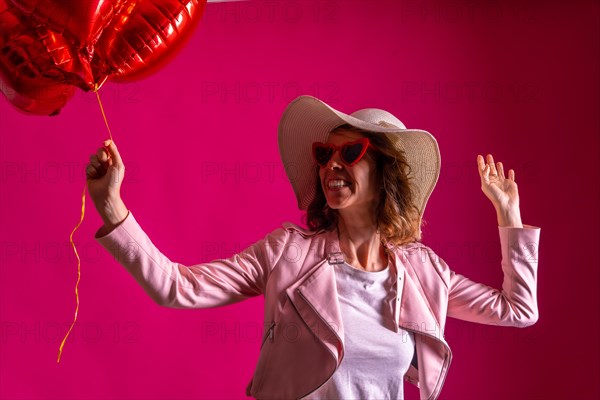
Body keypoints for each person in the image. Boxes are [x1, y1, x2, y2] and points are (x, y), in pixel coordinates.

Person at [86, 95, 540, 400]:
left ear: (385, 173)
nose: (331, 165)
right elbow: (175, 287)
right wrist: (112, 207)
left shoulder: (423, 273)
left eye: (351, 153)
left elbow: (518, 310)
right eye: (325, 155)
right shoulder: (288, 252)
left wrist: (509, 216)